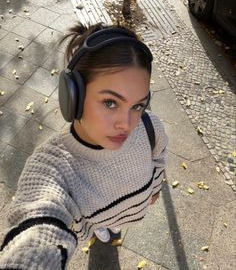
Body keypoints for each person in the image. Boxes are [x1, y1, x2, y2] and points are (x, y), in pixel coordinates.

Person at [0, 22, 168, 269]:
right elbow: (39, 228)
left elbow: (160, 157)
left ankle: (111, 225)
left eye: (138, 105)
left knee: (113, 223)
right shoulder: (53, 169)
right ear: (73, 97)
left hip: (131, 212)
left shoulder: (150, 125)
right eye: (110, 103)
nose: (127, 123)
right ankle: (101, 225)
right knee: (101, 223)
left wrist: (155, 188)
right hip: (94, 219)